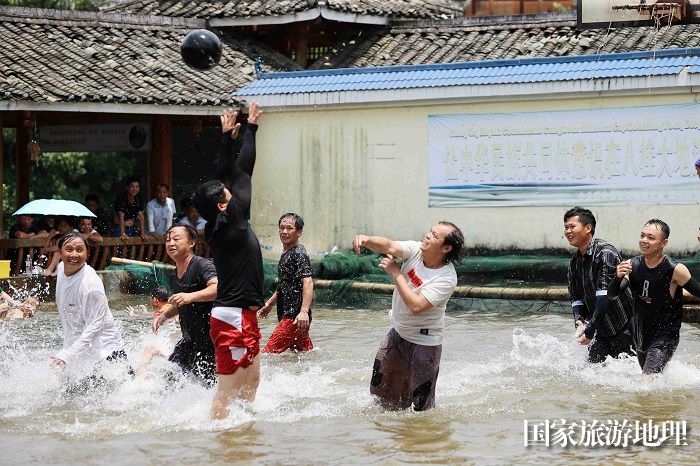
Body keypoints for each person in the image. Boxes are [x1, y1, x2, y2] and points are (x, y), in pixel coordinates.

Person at [192, 102, 263, 419]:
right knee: (227, 393)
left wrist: (249, 130)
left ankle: (243, 440)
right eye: (225, 191)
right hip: (231, 317)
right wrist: (235, 136)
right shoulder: (228, 225)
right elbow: (236, 170)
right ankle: (218, 446)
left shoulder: (229, 219)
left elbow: (237, 172)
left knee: (252, 385)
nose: (232, 189)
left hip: (245, 315)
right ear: (221, 205)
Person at [353, 222, 463, 411]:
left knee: (421, 408)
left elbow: (416, 306)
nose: (428, 235)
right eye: (430, 231)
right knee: (379, 395)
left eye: (434, 236)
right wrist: (367, 240)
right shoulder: (416, 250)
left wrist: (396, 273)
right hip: (397, 333)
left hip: (425, 343)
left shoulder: (446, 278)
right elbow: (388, 246)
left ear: (446, 248)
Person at [609, 219, 700, 374]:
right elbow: (612, 295)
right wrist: (617, 278)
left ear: (663, 242)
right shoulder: (632, 265)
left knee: (647, 382)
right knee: (652, 384)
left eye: (650, 238)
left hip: (666, 337)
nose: (644, 240)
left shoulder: (675, 269)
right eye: (642, 235)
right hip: (640, 336)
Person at [148, 224, 218, 385]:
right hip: (189, 339)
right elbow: (182, 302)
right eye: (168, 240)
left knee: (209, 388)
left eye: (176, 239)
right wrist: (165, 315)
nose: (171, 243)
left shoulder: (202, 265)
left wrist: (190, 296)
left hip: (211, 342)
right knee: (171, 378)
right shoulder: (174, 274)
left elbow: (218, 288)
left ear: (191, 242)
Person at [564, 207, 633, 363]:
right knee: (591, 375)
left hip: (624, 328)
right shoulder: (574, 262)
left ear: (588, 228)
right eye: (566, 227)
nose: (568, 231)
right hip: (600, 331)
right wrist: (579, 322)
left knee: (633, 377)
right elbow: (575, 298)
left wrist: (590, 330)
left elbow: (605, 296)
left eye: (572, 226)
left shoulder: (605, 253)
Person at [52, 232, 127, 372]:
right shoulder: (62, 267)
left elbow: (95, 327)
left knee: (129, 390)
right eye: (69, 250)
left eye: (79, 250)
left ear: (87, 253)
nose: (74, 255)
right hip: (79, 350)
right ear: (59, 252)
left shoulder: (90, 284)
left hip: (106, 353)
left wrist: (67, 355)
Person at [258, 213, 314, 353]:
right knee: (303, 355)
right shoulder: (287, 252)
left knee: (267, 356)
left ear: (299, 232)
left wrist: (303, 312)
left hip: (294, 317)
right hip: (293, 317)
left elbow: (308, 282)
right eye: (281, 228)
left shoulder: (299, 253)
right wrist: (269, 304)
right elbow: (285, 284)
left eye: (289, 228)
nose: (284, 232)